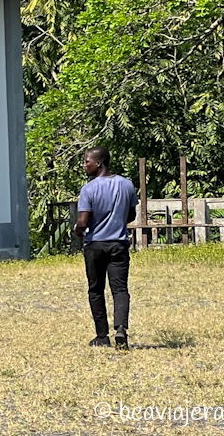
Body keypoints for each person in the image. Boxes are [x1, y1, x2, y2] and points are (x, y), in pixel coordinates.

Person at [75, 146, 138, 350]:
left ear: (99, 163)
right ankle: (121, 329)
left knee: (96, 289)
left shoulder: (88, 189)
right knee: (120, 289)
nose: (84, 165)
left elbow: (83, 222)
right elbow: (131, 216)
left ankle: (102, 335)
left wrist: (78, 230)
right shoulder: (126, 185)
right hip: (118, 244)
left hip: (95, 245)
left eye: (86, 161)